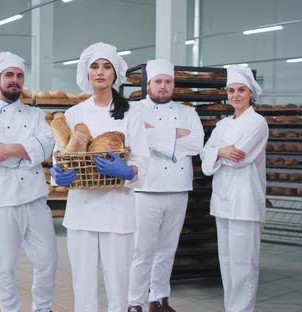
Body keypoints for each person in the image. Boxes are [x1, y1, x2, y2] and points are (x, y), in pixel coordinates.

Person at [50, 42, 150, 312]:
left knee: (118, 284)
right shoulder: (74, 114)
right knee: (82, 284)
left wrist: (129, 172)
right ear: (87, 72)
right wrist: (58, 175)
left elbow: (142, 157)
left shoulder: (132, 112)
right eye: (94, 67)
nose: (100, 72)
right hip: (82, 209)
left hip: (118, 209)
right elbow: (60, 155)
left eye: (107, 66)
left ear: (115, 73)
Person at [0, 52, 57, 312]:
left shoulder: (35, 114)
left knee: (47, 260)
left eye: (19, 75)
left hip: (35, 198)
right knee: (4, 265)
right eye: (9, 75)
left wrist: (12, 149)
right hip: (3, 201)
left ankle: (42, 309)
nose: (15, 80)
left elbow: (47, 147)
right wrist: (28, 150)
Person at [127, 59, 205, 312]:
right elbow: (134, 141)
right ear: (148, 84)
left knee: (167, 249)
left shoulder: (188, 112)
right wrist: (175, 134)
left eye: (168, 82)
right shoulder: (133, 110)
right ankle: (134, 302)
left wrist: (156, 134)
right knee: (142, 250)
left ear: (173, 85)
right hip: (145, 189)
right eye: (158, 82)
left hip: (179, 188)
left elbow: (197, 145)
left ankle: (159, 299)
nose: (163, 86)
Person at [199, 65, 268, 312]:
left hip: (246, 201)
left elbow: (238, 157)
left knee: (244, 266)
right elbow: (205, 156)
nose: (235, 95)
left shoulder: (258, 122)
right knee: (227, 264)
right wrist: (218, 151)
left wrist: (219, 153)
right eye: (231, 90)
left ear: (251, 93)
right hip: (223, 201)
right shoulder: (222, 124)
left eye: (241, 90)